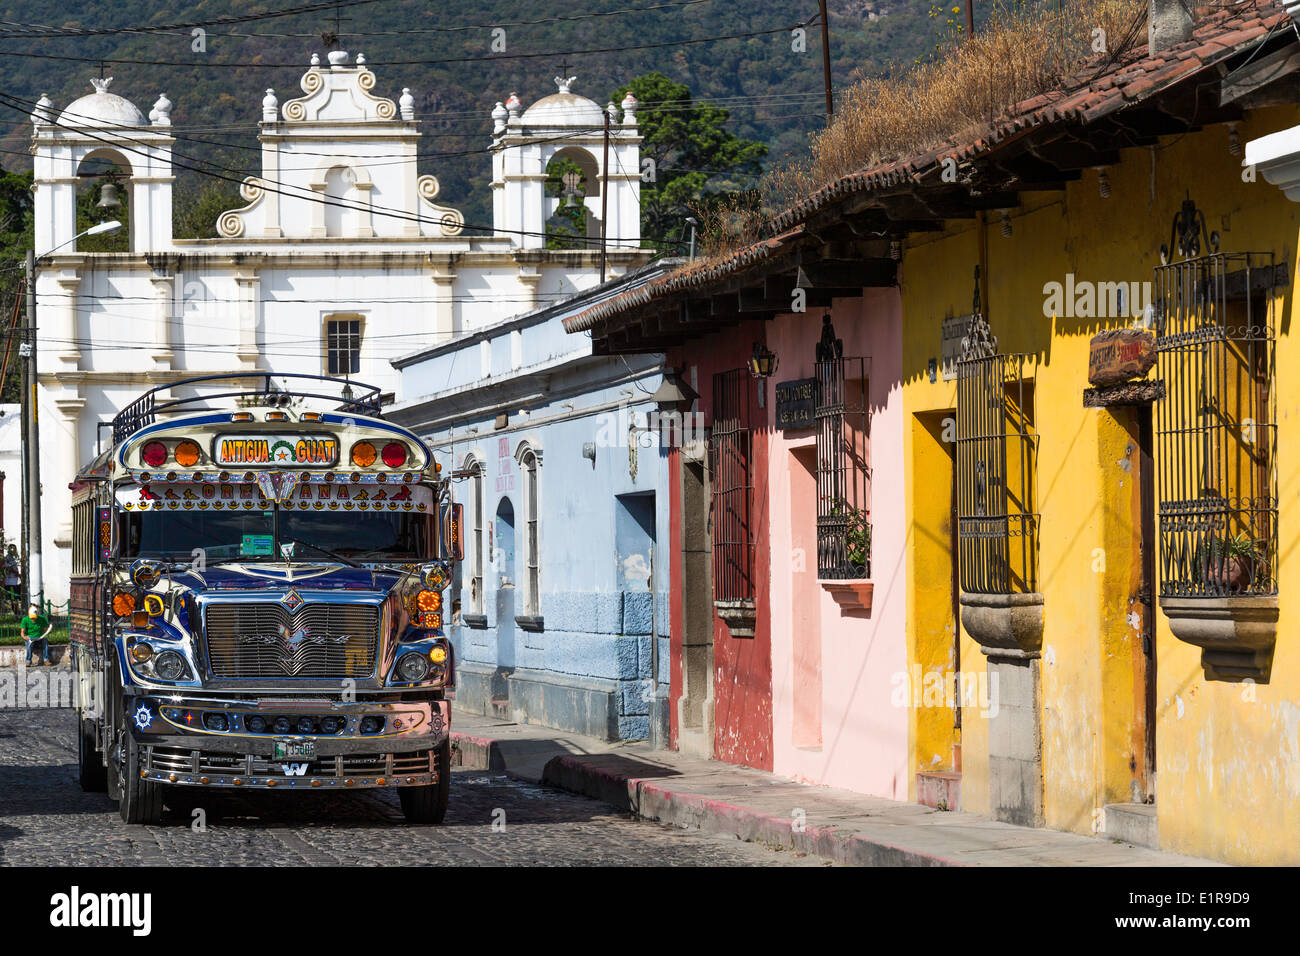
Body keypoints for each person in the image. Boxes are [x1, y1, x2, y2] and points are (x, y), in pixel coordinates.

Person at [3, 546, 19, 615]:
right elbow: (8, 568)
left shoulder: (12, 557)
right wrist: (17, 574)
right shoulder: (8, 557)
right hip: (10, 583)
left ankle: (16, 612)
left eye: (15, 549)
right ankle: (15, 613)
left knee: (15, 598)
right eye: (13, 549)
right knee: (13, 598)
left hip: (14, 582)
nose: (14, 551)